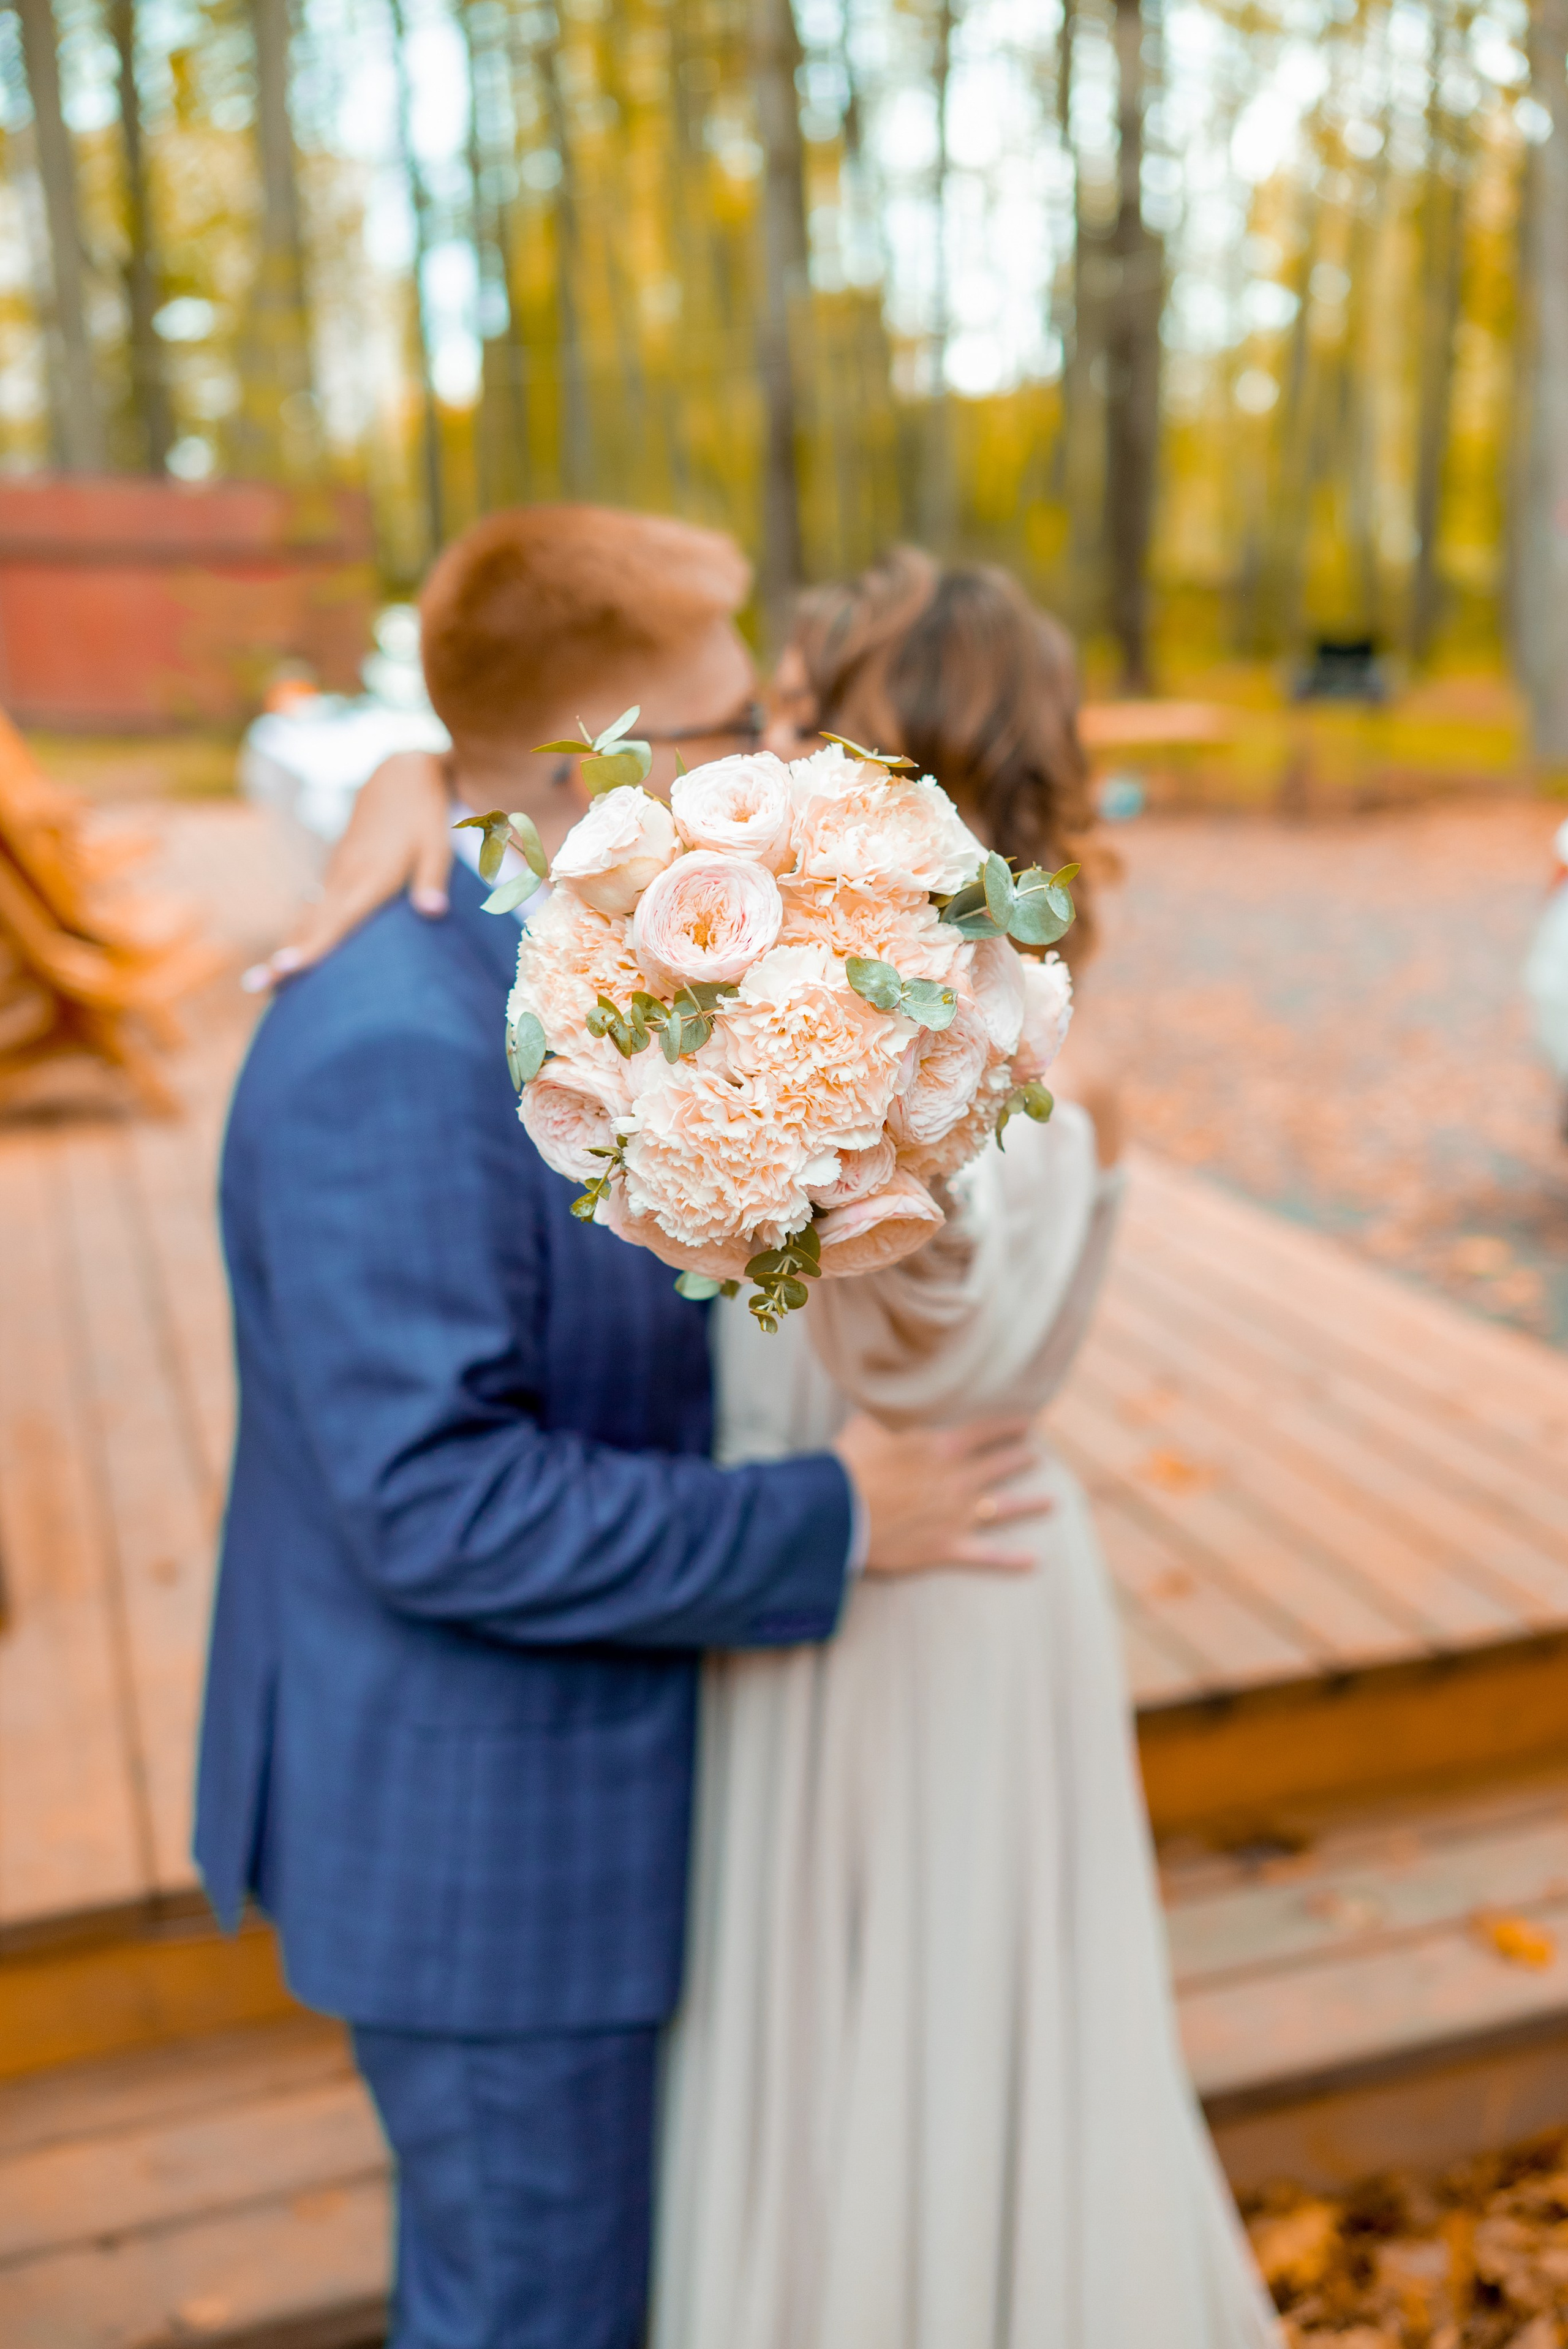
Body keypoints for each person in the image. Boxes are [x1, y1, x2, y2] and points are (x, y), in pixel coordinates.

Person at [257, 541, 1280, 2345]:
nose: (768, 755)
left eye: (789, 717)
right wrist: (409, 778)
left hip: (862, 1635)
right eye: (747, 720)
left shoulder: (873, 1025)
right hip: (589, 1767)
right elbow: (434, 1499)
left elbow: (936, 1310)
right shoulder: (437, 1021)